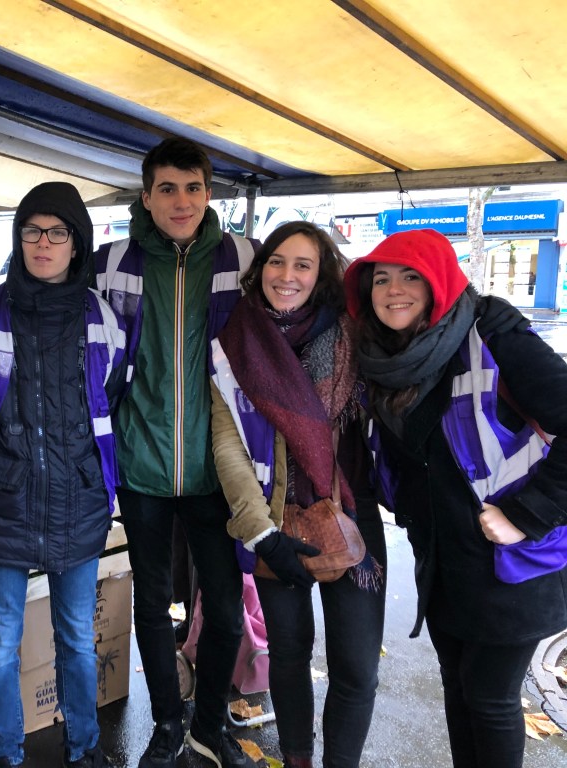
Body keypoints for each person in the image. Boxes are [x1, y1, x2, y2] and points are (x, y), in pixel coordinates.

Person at [344, 228, 567, 768]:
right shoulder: (383, 354)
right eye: (381, 278)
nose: (394, 290)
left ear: (440, 281)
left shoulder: (493, 335)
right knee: (459, 688)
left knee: (489, 698)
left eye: (411, 276)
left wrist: (524, 515)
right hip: (443, 561)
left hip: (512, 561)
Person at [0, 182, 128, 768]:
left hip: (78, 504)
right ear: (17, 237)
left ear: (77, 244)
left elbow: (111, 406)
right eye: (32, 230)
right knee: (0, 643)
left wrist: (97, 482)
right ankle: (5, 753)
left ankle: (85, 748)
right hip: (3, 505)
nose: (43, 243)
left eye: (57, 232)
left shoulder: (103, 318)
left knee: (77, 639)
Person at [94, 136, 257, 768]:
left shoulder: (244, 257)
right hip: (142, 467)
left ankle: (209, 726)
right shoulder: (111, 263)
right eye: (167, 189)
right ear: (146, 196)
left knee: (225, 610)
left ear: (209, 194)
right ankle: (167, 721)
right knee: (154, 602)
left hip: (218, 471)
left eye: (193, 188)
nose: (181, 201)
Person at [209, 221, 386, 768]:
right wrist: (260, 533)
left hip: (349, 511)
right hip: (276, 517)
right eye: (277, 261)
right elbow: (227, 444)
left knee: (357, 667)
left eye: (303, 265)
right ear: (260, 268)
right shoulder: (234, 340)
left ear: (321, 274)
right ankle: (298, 760)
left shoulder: (355, 336)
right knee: (288, 652)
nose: (287, 275)